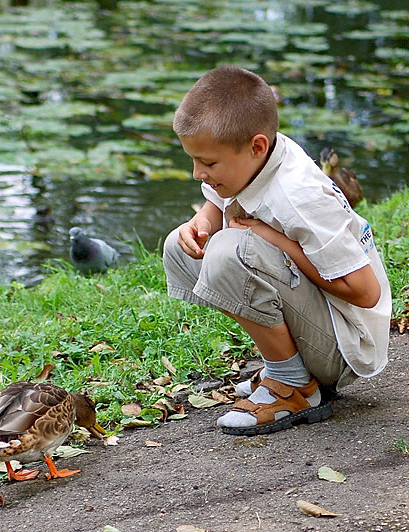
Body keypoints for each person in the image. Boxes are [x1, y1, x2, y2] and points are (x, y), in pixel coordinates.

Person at [162, 65, 391, 436]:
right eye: (194, 160)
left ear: (256, 146)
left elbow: (365, 293)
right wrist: (202, 222)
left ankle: (294, 387)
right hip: (317, 319)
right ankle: (287, 367)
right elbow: (219, 203)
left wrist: (278, 240)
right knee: (182, 247)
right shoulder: (255, 161)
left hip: (348, 345)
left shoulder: (298, 196)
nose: (196, 173)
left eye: (207, 163)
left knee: (230, 252)